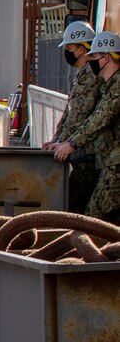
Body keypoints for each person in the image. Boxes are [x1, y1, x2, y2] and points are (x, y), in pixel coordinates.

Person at [49, 21, 103, 213]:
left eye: (69, 48)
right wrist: (57, 140)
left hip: (86, 153)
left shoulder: (89, 74)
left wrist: (65, 142)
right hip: (81, 149)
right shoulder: (83, 73)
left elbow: (79, 114)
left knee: (76, 208)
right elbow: (70, 111)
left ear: (81, 50)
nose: (67, 52)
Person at [68, 31, 120, 223]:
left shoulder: (117, 86)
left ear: (105, 59)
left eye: (93, 57)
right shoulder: (109, 85)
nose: (90, 61)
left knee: (93, 219)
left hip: (116, 164)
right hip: (109, 161)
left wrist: (71, 144)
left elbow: (100, 119)